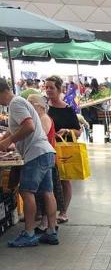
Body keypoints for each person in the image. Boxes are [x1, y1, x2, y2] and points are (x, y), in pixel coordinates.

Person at [0, 78, 58, 247]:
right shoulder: (19, 103)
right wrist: (4, 141)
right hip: (45, 152)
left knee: (26, 192)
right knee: (47, 191)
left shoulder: (15, 104)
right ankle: (51, 231)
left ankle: (29, 233)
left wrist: (7, 141)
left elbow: (29, 126)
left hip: (36, 154)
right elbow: (14, 129)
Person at [45, 74, 81, 223]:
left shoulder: (68, 110)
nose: (48, 90)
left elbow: (78, 131)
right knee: (48, 181)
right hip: (47, 148)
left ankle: (63, 212)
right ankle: (47, 212)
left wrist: (66, 130)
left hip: (63, 150)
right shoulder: (44, 107)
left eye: (51, 88)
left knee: (64, 180)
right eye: (46, 87)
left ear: (59, 90)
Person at [27, 93, 65, 231]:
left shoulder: (43, 118)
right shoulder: (42, 118)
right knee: (46, 192)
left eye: (30, 104)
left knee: (46, 192)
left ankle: (48, 223)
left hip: (44, 157)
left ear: (38, 106)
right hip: (46, 157)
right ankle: (49, 224)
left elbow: (38, 136)